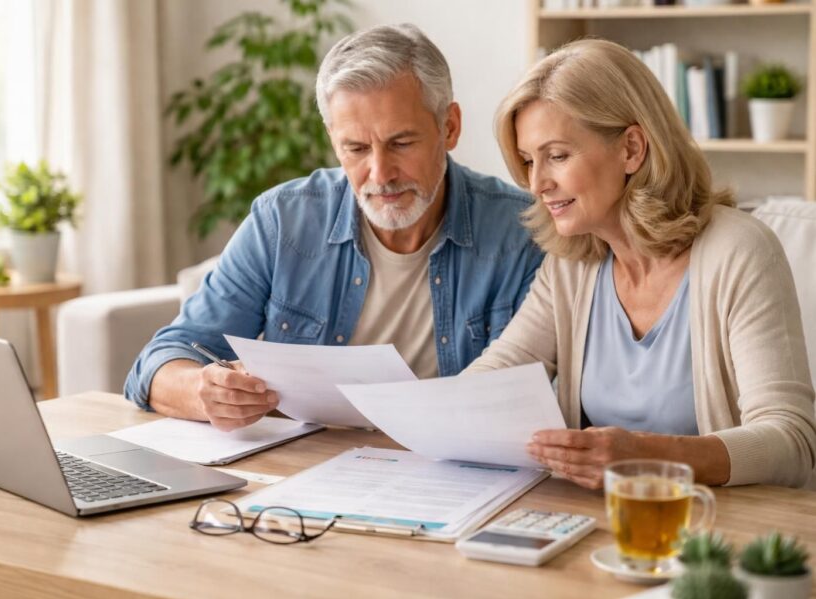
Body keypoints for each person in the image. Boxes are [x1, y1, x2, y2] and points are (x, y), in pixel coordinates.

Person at [124, 24, 544, 432]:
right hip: (307, 476)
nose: (380, 174)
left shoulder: (521, 232)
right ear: (332, 140)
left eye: (401, 143)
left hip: (454, 475)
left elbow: (545, 398)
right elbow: (160, 361)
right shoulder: (282, 221)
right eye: (356, 148)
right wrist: (205, 392)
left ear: (448, 127)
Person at [467, 39, 816, 489]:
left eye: (556, 156)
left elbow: (791, 442)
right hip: (602, 524)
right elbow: (499, 373)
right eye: (529, 161)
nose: (537, 183)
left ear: (631, 149)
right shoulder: (572, 264)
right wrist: (423, 410)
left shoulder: (741, 251)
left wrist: (646, 456)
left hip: (713, 534)